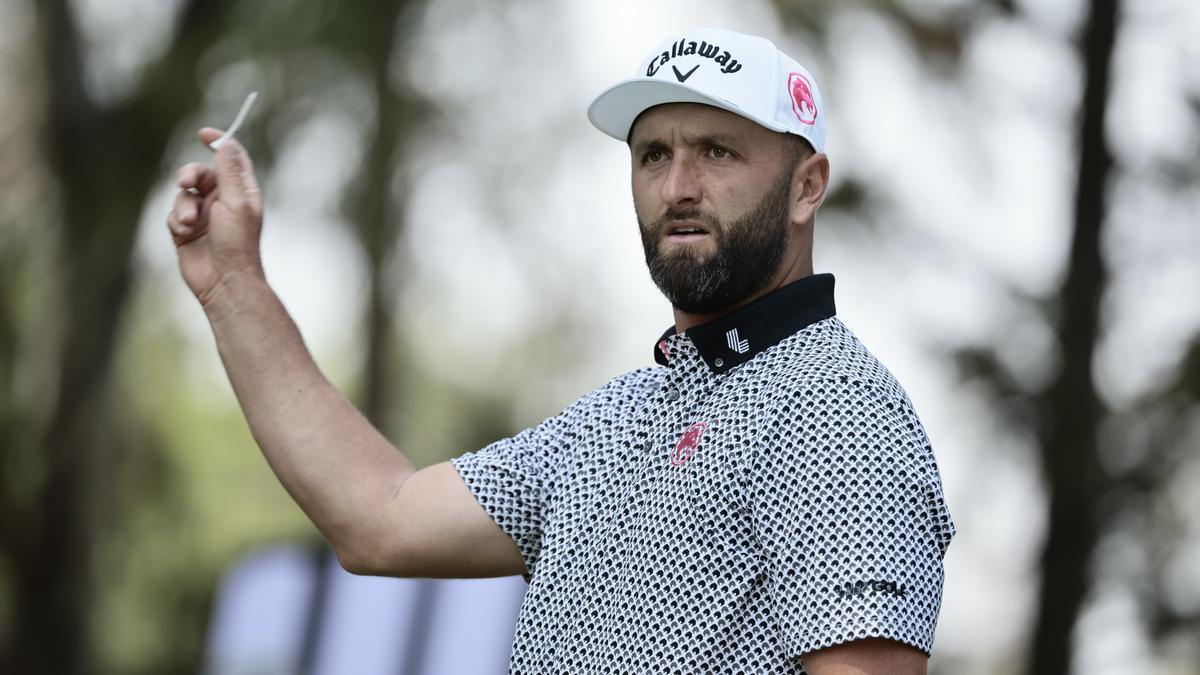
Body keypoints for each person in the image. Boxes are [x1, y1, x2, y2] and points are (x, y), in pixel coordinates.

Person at [167, 27, 954, 675]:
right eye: (653, 154)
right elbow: (381, 517)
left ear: (806, 186)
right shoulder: (621, 413)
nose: (678, 185)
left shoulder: (838, 409)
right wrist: (233, 286)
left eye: (718, 151)